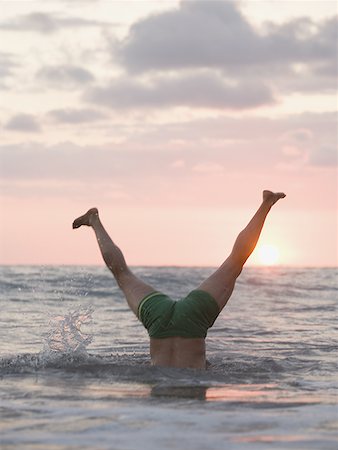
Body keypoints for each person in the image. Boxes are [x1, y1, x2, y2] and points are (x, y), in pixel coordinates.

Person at [73, 190, 285, 369]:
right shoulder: (168, 413)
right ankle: (266, 204)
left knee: (123, 274)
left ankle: (94, 221)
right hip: (162, 320)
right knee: (234, 262)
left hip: (185, 316)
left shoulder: (186, 415)